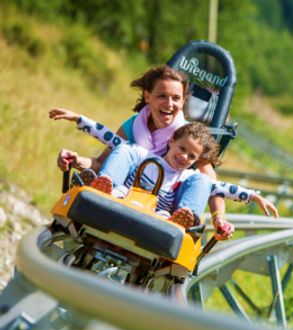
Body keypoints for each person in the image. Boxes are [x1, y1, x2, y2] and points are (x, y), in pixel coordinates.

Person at [50, 65, 233, 239]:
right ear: (148, 97)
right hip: (123, 193)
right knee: (124, 149)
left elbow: (211, 186)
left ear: (183, 101)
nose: (169, 104)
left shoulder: (190, 139)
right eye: (162, 96)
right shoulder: (133, 125)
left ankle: (180, 220)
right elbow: (101, 163)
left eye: (176, 98)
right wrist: (76, 160)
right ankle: (102, 192)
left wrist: (219, 219)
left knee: (199, 180)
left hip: (164, 208)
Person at [81, 122, 279, 229]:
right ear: (172, 141)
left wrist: (253, 195)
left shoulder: (186, 177)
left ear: (196, 161)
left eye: (191, 156)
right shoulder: (143, 155)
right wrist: (78, 119)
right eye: (182, 148)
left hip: (159, 215)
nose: (184, 157)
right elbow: (108, 136)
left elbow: (221, 188)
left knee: (204, 181)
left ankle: (184, 217)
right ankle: (104, 184)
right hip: (123, 195)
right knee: (124, 148)